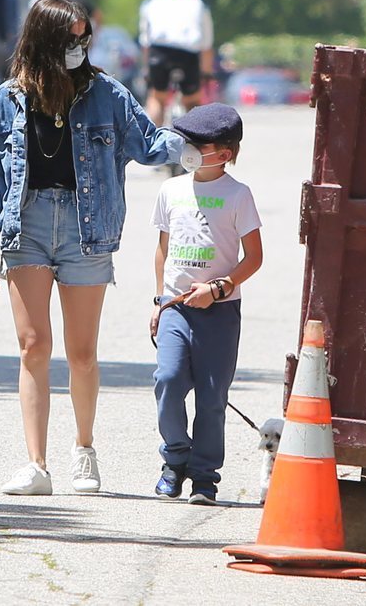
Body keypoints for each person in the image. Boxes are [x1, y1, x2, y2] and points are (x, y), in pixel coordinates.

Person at [0, 0, 186, 496]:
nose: (81, 46)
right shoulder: (7, 99)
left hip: (85, 227)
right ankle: (36, 464)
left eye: (85, 37)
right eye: (72, 38)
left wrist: (203, 141)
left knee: (82, 351)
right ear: (46, 40)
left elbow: (150, 143)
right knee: (33, 347)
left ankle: (84, 451)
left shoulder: (107, 94)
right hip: (24, 225)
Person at [148, 103, 263, 505]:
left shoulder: (238, 196)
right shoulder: (170, 190)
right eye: (186, 142)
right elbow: (162, 251)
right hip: (175, 308)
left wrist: (218, 288)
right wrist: (160, 302)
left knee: (212, 397)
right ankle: (174, 459)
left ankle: (204, 476)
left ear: (225, 153)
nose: (188, 149)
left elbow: (254, 257)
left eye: (198, 144)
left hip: (220, 313)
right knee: (168, 380)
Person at [138, 0, 215, 126]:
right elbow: (206, 45)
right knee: (192, 101)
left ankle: (152, 142)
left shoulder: (152, 2)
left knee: (157, 98)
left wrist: (146, 71)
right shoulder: (198, 2)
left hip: (160, 52)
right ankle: (197, 142)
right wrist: (206, 74)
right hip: (189, 53)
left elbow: (146, 42)